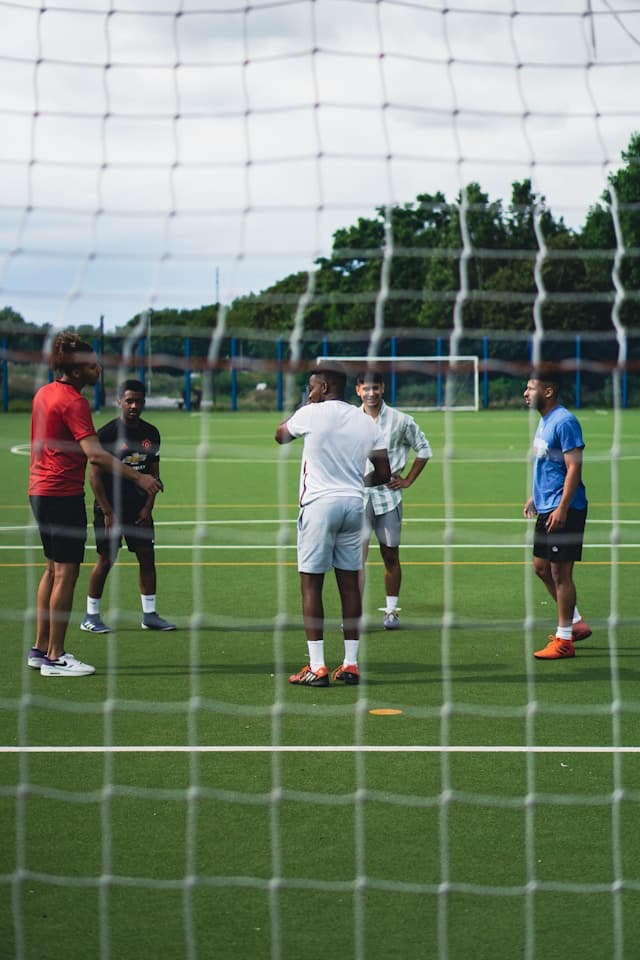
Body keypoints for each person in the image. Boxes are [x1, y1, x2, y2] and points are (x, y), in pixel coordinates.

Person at [27, 333, 163, 677]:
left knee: (51, 570)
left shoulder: (44, 393)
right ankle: (56, 656)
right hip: (62, 494)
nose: (97, 367)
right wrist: (140, 478)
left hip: (39, 490)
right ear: (75, 370)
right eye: (90, 363)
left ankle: (39, 649)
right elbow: (96, 456)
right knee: (67, 573)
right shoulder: (74, 402)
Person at [275, 364, 391, 687]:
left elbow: (279, 435)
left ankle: (317, 666)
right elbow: (383, 472)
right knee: (350, 584)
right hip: (354, 505)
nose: (309, 393)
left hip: (319, 506)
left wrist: (306, 410)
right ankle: (351, 664)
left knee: (311, 584)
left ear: (324, 388)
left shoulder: (312, 412)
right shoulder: (365, 421)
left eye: (312, 387)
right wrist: (357, 482)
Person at [81, 379, 176, 634]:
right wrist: (107, 511)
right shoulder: (108, 434)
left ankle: (150, 615)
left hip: (139, 509)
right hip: (110, 508)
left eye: (139, 401)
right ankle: (90, 615)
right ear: (119, 401)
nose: (134, 405)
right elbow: (95, 477)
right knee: (106, 559)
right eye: (130, 400)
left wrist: (148, 508)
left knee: (147, 556)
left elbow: (154, 474)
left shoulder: (151, 433)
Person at [355, 370, 432, 629]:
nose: (371, 393)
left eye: (375, 388)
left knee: (390, 555)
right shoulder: (349, 420)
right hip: (358, 497)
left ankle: (390, 611)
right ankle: (354, 615)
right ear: (358, 391)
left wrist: (408, 479)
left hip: (388, 498)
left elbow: (424, 448)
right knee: (355, 559)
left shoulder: (401, 420)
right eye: (366, 388)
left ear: (383, 388)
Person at [523, 371, 592, 660]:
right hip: (548, 505)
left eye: (530, 388)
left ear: (548, 391)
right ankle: (575, 622)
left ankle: (564, 640)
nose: (525, 393)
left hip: (565, 509)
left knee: (560, 573)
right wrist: (535, 497)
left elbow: (574, 467)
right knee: (541, 567)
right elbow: (550, 466)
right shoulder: (545, 420)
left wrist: (562, 507)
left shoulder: (564, 421)